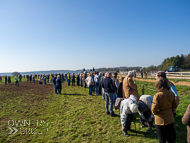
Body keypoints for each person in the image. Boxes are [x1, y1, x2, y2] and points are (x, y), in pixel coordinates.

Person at [151, 78, 177, 143]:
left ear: (158, 86)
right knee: (169, 138)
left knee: (162, 139)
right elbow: (175, 105)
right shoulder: (171, 93)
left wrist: (157, 112)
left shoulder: (157, 96)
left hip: (160, 120)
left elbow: (153, 110)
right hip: (170, 118)